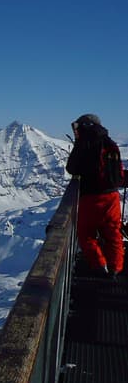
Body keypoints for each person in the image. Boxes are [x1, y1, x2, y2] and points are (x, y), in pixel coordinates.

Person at [66, 114, 124, 278]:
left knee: (86, 235)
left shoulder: (85, 143)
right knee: (113, 234)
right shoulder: (111, 143)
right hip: (112, 197)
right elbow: (119, 173)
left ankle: (99, 265)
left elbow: (72, 168)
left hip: (90, 197)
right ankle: (116, 269)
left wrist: (78, 144)